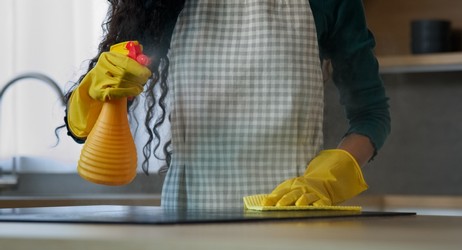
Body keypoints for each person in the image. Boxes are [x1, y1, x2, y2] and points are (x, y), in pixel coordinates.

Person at [64, 0, 390, 210]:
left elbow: (370, 114)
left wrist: (326, 180)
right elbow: (83, 131)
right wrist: (96, 90)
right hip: (190, 222)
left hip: (293, 219)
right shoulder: (160, 3)